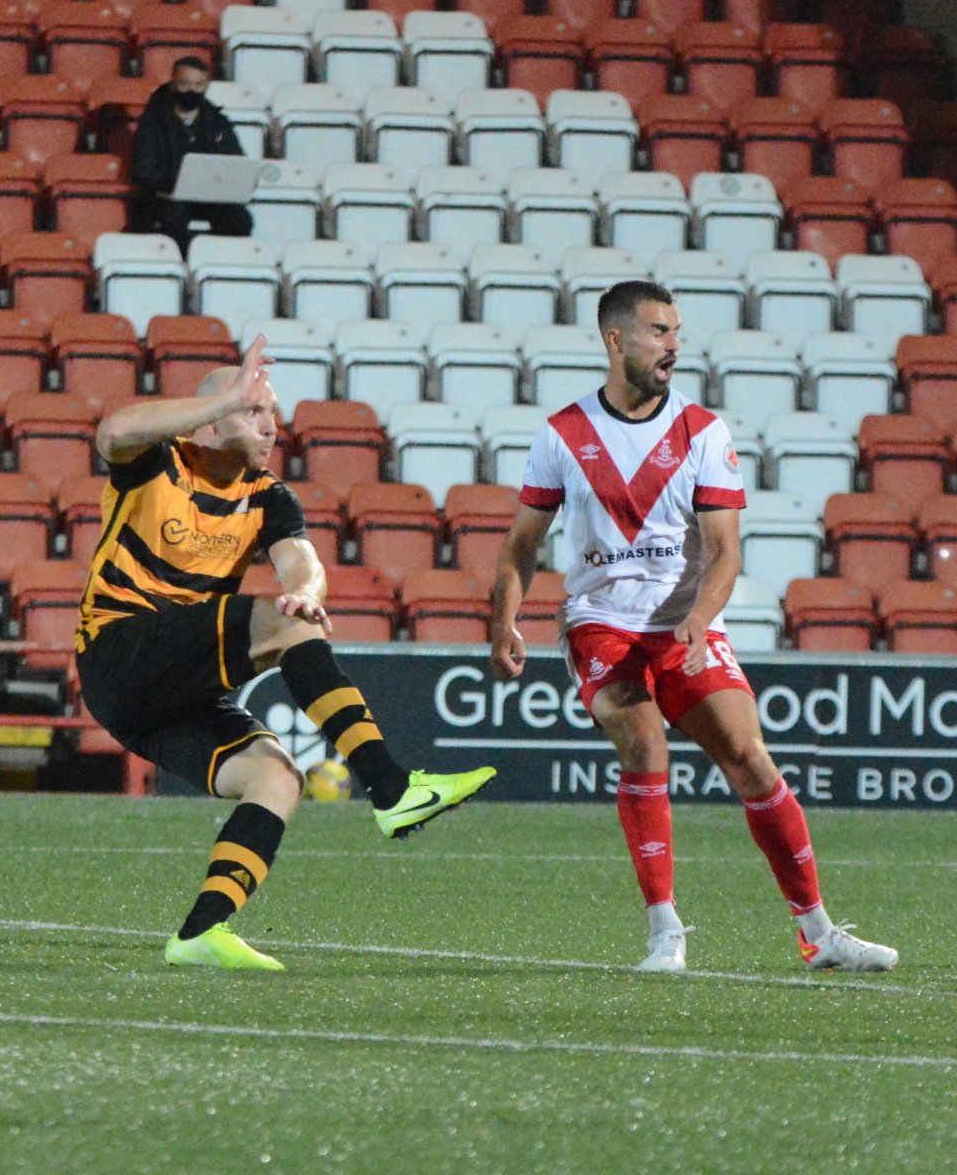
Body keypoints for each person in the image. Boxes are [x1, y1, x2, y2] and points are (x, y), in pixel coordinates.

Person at [488, 280, 898, 975]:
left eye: (676, 331)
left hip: (684, 623)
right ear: (615, 340)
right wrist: (504, 621)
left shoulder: (703, 433)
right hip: (601, 624)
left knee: (749, 757)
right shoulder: (564, 434)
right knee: (645, 743)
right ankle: (664, 931)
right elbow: (522, 543)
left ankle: (818, 932)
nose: (673, 345)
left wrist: (700, 620)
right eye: (657, 331)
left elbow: (726, 550)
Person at [77, 336, 496, 971]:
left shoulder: (269, 495)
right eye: (253, 411)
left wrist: (304, 592)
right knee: (283, 627)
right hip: (121, 648)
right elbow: (113, 431)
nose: (271, 426)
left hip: (158, 698)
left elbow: (303, 564)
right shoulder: (158, 462)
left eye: (272, 413)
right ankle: (389, 787)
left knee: (276, 777)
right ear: (211, 418)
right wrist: (215, 402)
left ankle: (201, 932)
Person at [128, 56, 252, 255]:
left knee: (239, 218)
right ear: (173, 83)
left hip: (207, 197)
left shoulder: (218, 122)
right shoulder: (153, 122)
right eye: (185, 84)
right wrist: (174, 185)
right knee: (172, 217)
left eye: (199, 84)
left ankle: (220, 265)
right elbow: (143, 170)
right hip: (164, 198)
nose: (192, 91)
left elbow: (235, 161)